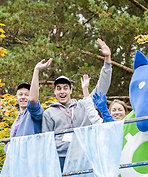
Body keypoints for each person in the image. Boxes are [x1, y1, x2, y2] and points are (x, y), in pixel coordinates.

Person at [42, 38, 112, 169]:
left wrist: (107, 60)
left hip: (83, 155)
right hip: (60, 158)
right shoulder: (49, 113)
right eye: (58, 88)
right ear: (54, 92)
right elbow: (46, 141)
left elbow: (101, 88)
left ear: (71, 90)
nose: (62, 91)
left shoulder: (83, 105)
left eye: (65, 88)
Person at [9, 58, 52, 139]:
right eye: (20, 94)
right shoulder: (16, 120)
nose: (23, 97)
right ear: (16, 98)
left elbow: (33, 100)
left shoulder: (33, 112)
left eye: (27, 95)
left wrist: (36, 70)